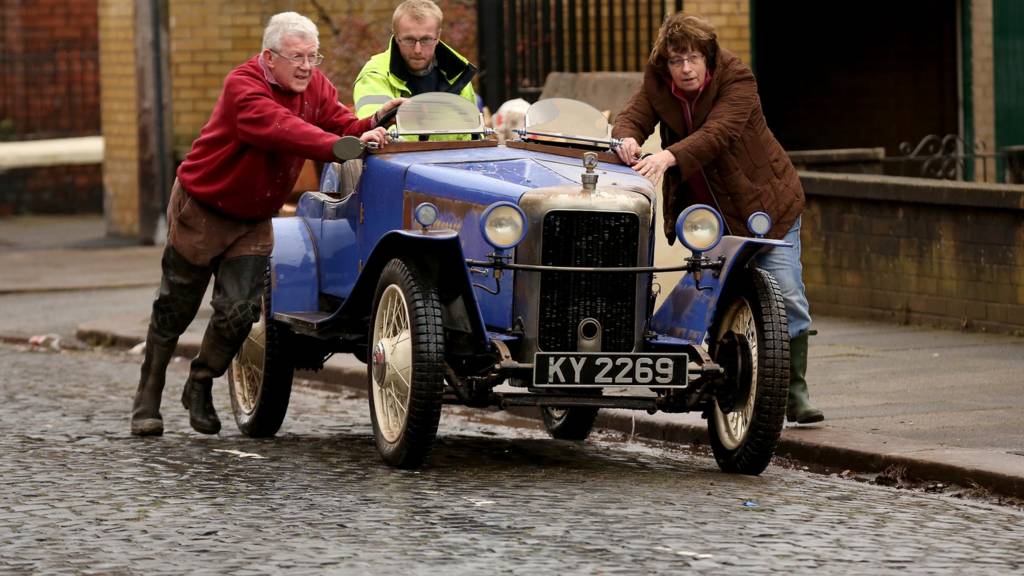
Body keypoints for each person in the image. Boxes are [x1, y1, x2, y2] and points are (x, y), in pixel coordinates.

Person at [130, 11, 402, 436]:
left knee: (240, 314)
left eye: (313, 56)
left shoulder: (313, 85)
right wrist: (339, 145)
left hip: (254, 216)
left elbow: (339, 121)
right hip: (202, 208)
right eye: (296, 57)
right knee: (175, 308)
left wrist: (373, 123)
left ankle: (200, 383)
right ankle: (148, 396)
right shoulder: (243, 86)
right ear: (268, 57)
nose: (306, 66)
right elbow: (284, 130)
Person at [612, 12, 824, 425]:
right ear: (665, 63)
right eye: (676, 60)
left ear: (708, 57)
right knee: (717, 302)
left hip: (765, 206)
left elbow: (720, 133)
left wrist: (669, 156)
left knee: (787, 298)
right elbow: (632, 117)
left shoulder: (737, 79)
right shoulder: (657, 83)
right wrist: (626, 139)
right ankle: (726, 388)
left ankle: (794, 392)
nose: (685, 68)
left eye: (692, 58)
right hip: (707, 218)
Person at [352, 0, 477, 137]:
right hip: (398, 157)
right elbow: (378, 133)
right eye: (409, 40)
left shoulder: (457, 74)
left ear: (438, 36)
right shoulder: (374, 75)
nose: (418, 50)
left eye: (426, 40)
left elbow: (474, 134)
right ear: (396, 36)